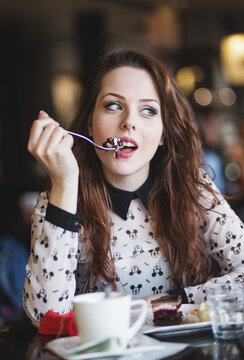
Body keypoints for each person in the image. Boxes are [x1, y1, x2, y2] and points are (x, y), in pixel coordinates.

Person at [23, 49, 244, 327]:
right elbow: (46, 317)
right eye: (113, 105)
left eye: (148, 110)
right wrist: (66, 182)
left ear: (164, 133)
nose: (129, 121)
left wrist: (164, 302)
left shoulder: (194, 189)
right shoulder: (57, 200)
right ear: (90, 124)